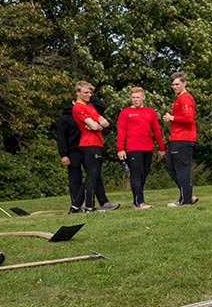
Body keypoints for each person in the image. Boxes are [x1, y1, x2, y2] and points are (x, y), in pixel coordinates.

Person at [71, 82, 120, 212]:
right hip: (88, 143)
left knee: (93, 175)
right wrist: (95, 125)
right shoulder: (78, 107)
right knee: (92, 175)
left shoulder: (90, 107)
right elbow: (94, 126)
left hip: (97, 142)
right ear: (78, 92)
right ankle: (89, 206)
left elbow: (105, 123)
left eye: (90, 93)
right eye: (86, 92)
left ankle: (75, 206)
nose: (89, 95)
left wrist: (96, 124)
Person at [56, 96, 110, 214]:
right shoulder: (65, 119)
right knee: (76, 178)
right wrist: (63, 154)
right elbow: (61, 137)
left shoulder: (89, 110)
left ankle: (102, 201)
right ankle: (77, 204)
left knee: (94, 175)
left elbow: (101, 108)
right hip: (73, 151)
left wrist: (91, 97)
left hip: (88, 148)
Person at [116, 86, 166, 209]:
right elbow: (121, 131)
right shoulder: (125, 112)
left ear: (143, 97)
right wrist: (120, 148)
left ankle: (136, 201)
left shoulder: (150, 112)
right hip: (133, 148)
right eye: (133, 97)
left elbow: (156, 130)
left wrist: (161, 147)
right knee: (136, 174)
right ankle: (139, 202)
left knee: (143, 174)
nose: (135, 100)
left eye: (138, 97)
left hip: (148, 147)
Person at [163, 72, 198, 207]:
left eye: (177, 84)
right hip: (176, 138)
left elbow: (189, 119)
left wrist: (172, 118)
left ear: (184, 83)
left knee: (182, 169)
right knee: (171, 167)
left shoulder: (185, 98)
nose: (174, 87)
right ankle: (188, 195)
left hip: (183, 139)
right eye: (172, 84)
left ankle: (184, 200)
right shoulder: (178, 98)